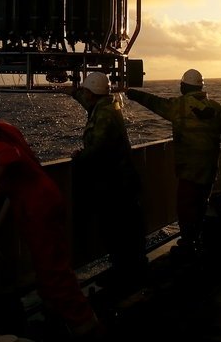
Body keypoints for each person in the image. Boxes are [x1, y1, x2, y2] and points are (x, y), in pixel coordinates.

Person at [0, 87, 103, 340]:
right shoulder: (3, 127)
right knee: (53, 264)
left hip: (34, 205)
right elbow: (22, 154)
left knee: (53, 271)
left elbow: (10, 156)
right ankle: (61, 318)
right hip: (48, 194)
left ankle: (86, 328)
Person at [125, 69, 221, 257]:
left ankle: (188, 244)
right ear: (201, 86)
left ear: (184, 86)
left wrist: (131, 93)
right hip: (209, 167)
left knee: (186, 206)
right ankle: (196, 238)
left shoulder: (178, 106)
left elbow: (153, 102)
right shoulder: (217, 108)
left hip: (188, 169)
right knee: (202, 202)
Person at [67, 72, 148, 296]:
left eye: (84, 91)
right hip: (119, 183)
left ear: (91, 92)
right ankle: (131, 273)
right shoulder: (105, 106)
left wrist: (79, 157)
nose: (83, 94)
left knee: (120, 233)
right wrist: (72, 92)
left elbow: (99, 147)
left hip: (116, 186)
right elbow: (88, 105)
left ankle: (127, 278)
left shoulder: (103, 114)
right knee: (126, 232)